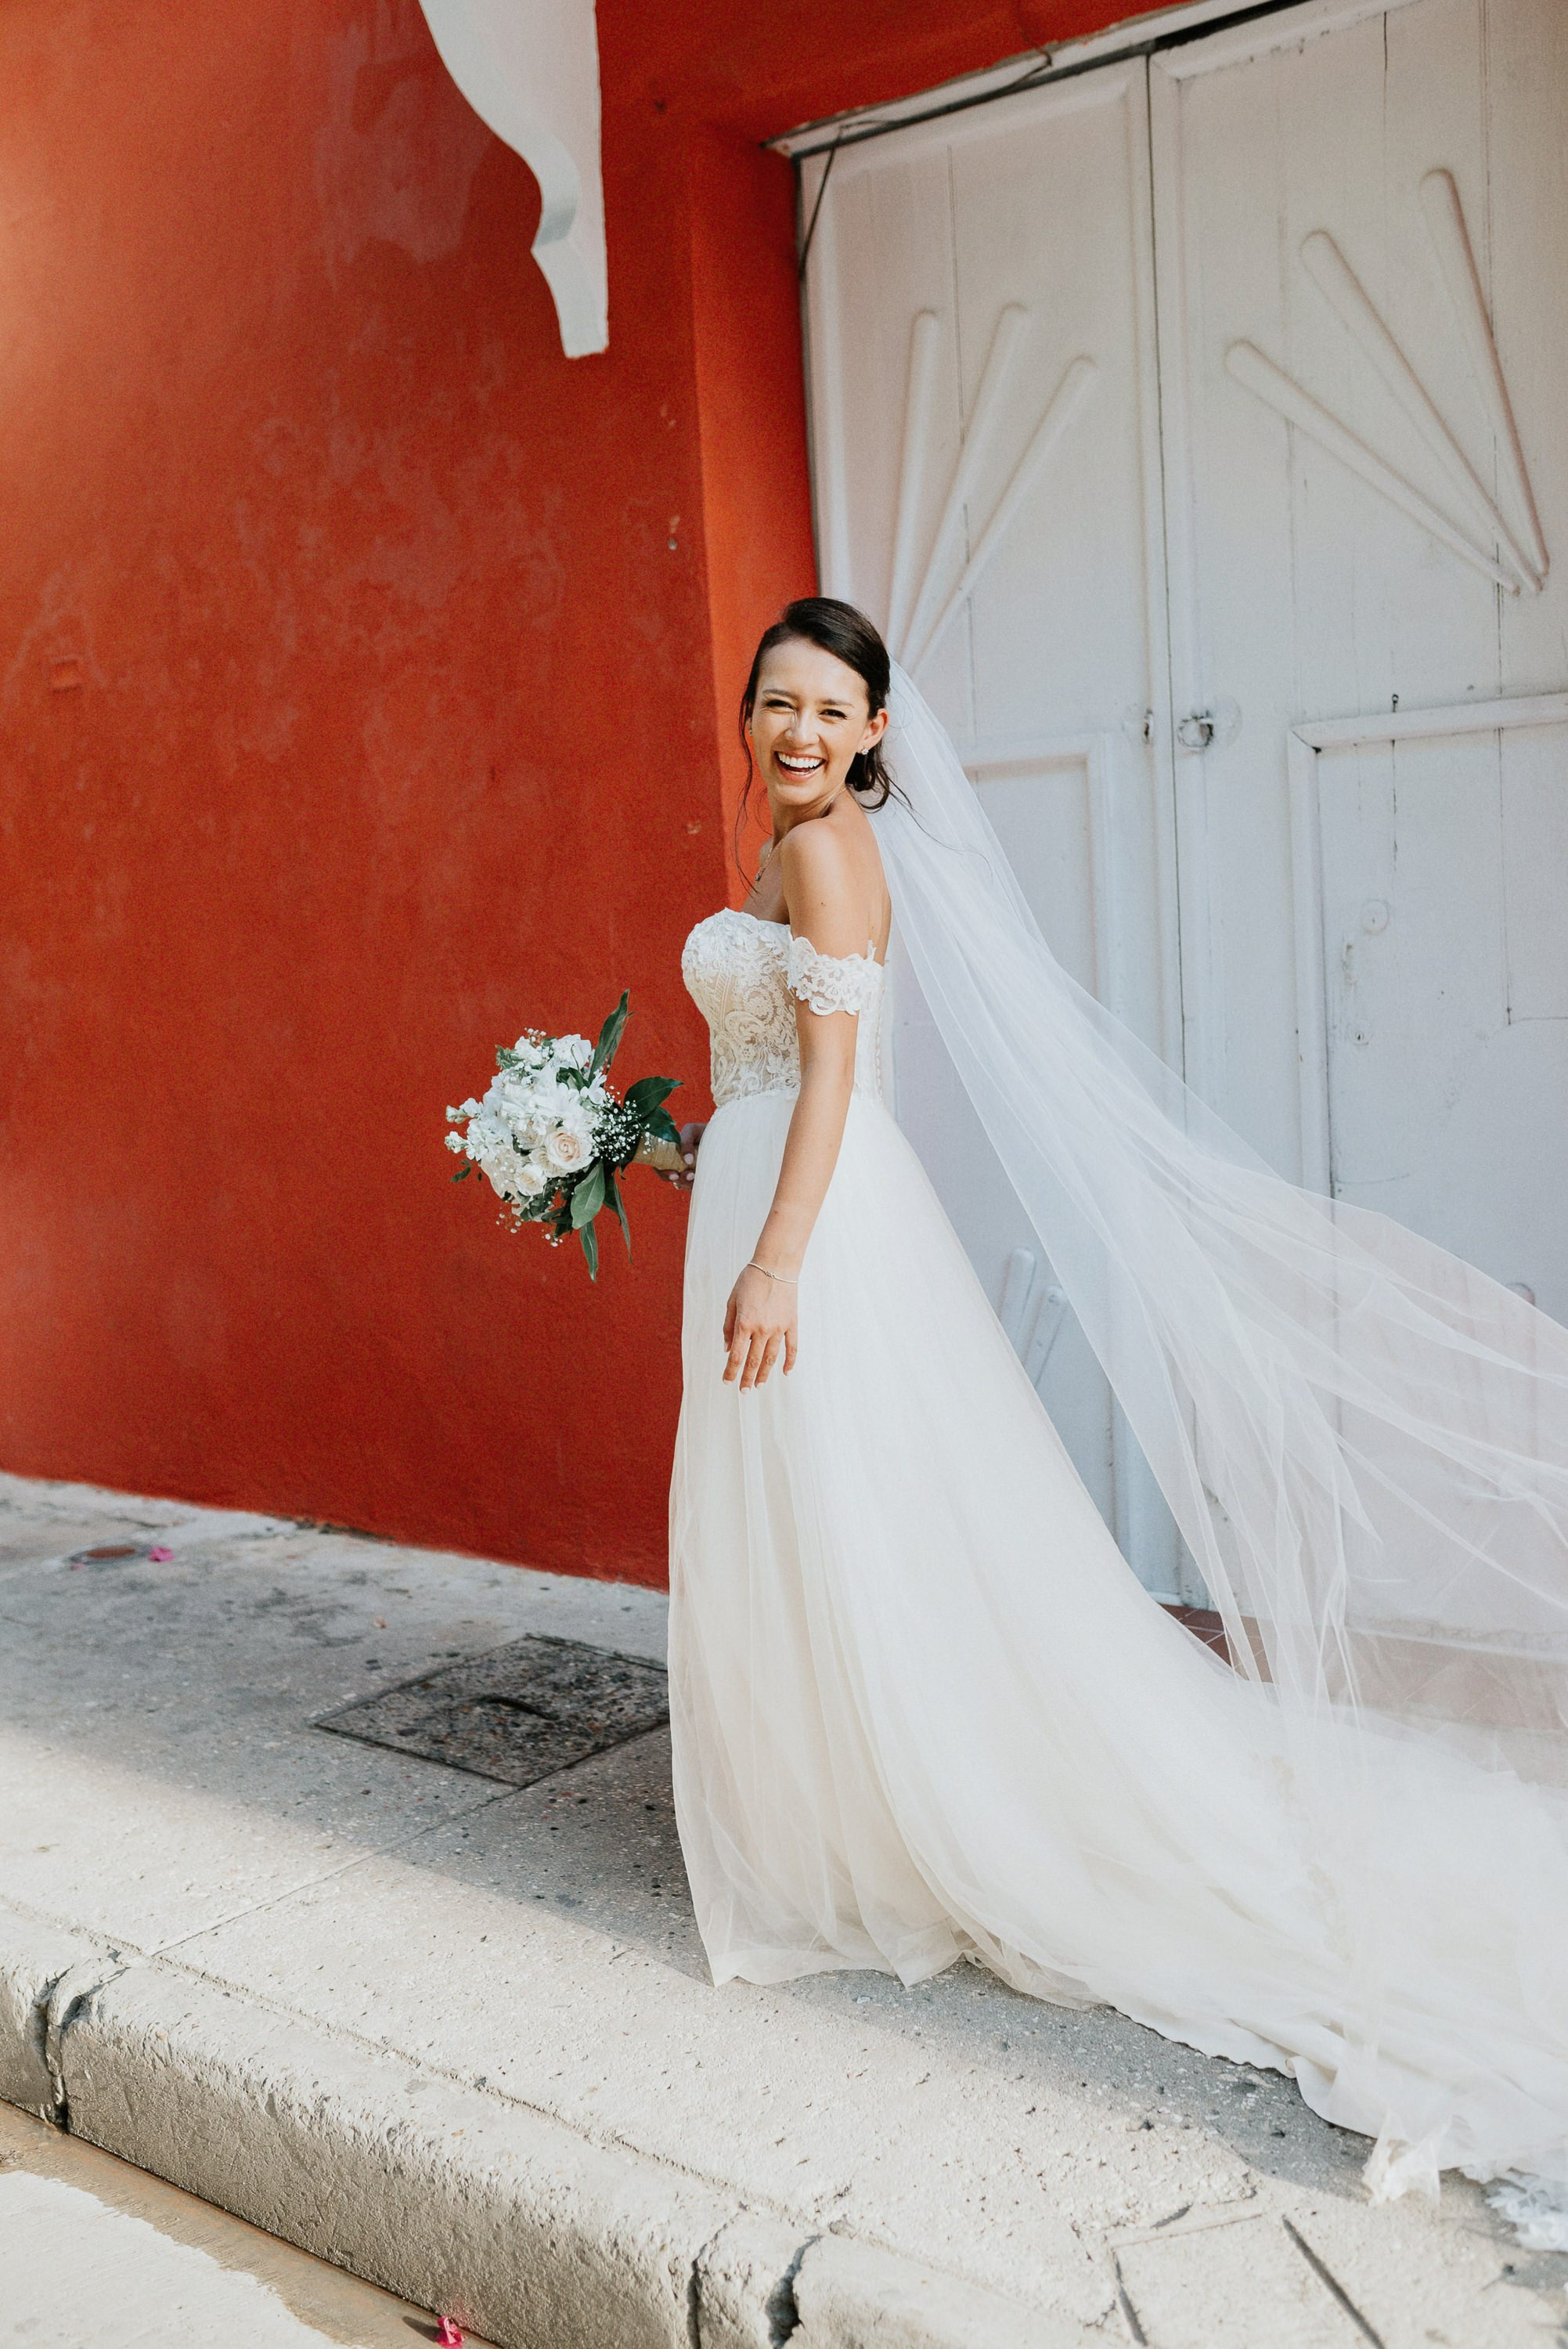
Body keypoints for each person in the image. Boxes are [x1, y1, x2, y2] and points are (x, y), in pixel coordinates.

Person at [654, 596, 1568, 2221]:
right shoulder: (796, 849)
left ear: (874, 732)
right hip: (774, 1197)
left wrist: (780, 1257)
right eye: (772, 705)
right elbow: (770, 1067)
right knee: (831, 1515)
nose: (794, 733)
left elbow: (839, 1085)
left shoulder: (831, 853)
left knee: (852, 1511)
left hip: (816, 1229)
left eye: (825, 710)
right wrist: (672, 1160)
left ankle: (888, 1823)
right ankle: (850, 1799)